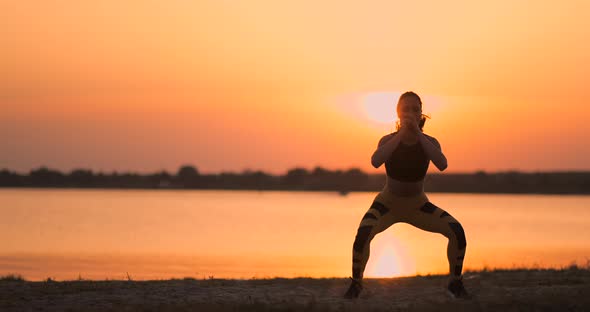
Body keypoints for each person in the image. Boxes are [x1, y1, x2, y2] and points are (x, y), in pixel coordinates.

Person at [343, 91, 469, 299]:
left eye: (415, 109)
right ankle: (356, 284)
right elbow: (375, 161)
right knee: (363, 234)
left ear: (421, 113)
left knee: (456, 231)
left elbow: (442, 164)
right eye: (405, 109)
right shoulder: (388, 140)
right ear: (397, 113)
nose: (410, 113)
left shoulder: (430, 142)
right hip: (388, 203)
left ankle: (455, 283)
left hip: (418, 205)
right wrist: (402, 133)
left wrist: (417, 134)